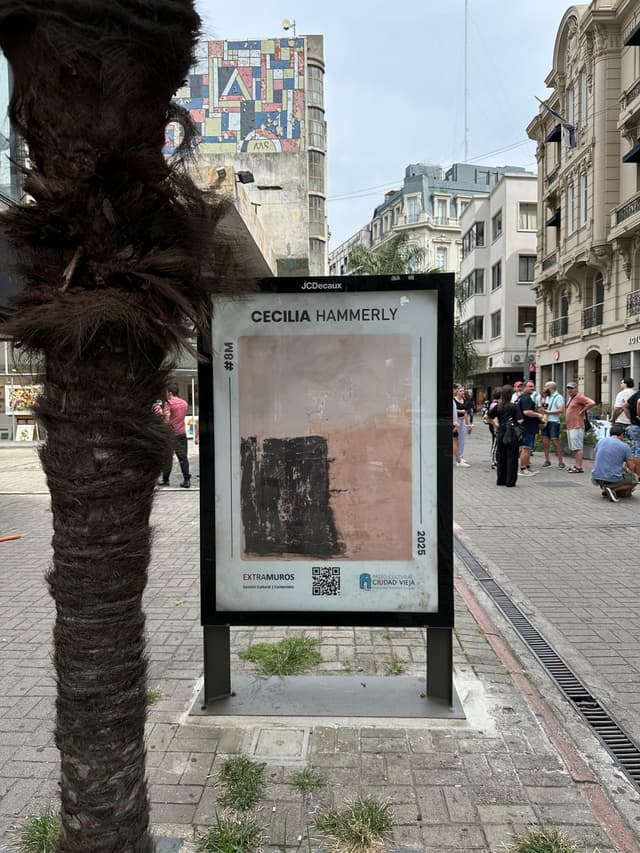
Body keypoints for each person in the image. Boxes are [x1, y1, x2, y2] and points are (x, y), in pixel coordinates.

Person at [591, 422, 639, 502]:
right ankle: (613, 489)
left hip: (596, 477)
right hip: (611, 478)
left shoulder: (601, 441)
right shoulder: (624, 446)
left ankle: (606, 489)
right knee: (635, 480)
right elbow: (631, 467)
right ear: (622, 434)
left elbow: (597, 454)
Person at [159, 382, 191, 488]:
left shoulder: (169, 403)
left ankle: (165, 479)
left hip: (171, 434)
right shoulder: (184, 403)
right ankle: (187, 480)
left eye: (167, 392)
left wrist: (162, 421)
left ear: (170, 392)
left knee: (168, 457)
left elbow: (167, 418)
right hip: (182, 433)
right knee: (183, 458)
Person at [491, 384, 520, 487]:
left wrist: (496, 424)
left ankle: (501, 479)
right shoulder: (514, 406)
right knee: (512, 457)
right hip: (511, 434)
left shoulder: (498, 406)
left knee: (501, 457)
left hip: (501, 433)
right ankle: (510, 481)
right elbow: (520, 420)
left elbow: (487, 416)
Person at [565, 381, 595, 473]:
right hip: (571, 426)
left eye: (572, 388)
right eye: (568, 388)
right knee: (574, 447)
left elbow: (591, 402)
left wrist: (583, 410)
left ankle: (579, 467)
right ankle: (577, 465)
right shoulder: (571, 398)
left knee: (578, 447)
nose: (569, 390)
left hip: (577, 425)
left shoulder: (579, 396)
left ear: (576, 389)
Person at [517, 379, 545, 477]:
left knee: (528, 448)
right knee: (526, 448)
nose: (532, 388)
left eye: (533, 386)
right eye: (529, 386)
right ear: (524, 387)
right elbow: (526, 412)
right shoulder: (526, 398)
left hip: (528, 426)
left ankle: (527, 467)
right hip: (527, 427)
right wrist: (538, 415)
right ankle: (523, 469)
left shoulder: (524, 397)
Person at [540, 381, 565, 468]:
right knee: (545, 441)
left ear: (550, 388)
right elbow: (545, 407)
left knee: (555, 441)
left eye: (545, 387)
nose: (544, 389)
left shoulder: (559, 397)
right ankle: (547, 460)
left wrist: (549, 412)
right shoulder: (547, 397)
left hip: (553, 421)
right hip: (546, 420)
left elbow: (561, 410)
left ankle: (561, 461)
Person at [482, 389, 501, 468]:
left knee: (496, 442)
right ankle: (494, 461)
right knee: (495, 443)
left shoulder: (493, 403)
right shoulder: (495, 405)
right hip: (495, 426)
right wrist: (494, 424)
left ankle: (496, 460)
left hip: (494, 425)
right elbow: (488, 417)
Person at [453, 384, 471, 466]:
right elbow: (453, 410)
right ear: (457, 392)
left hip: (463, 420)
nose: (462, 392)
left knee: (462, 439)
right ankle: (456, 458)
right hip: (456, 420)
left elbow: (466, 412)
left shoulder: (464, 400)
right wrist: (460, 411)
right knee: (456, 439)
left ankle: (461, 456)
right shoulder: (454, 400)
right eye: (460, 391)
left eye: (463, 391)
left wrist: (468, 424)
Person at [624, 385, 640, 457]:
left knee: (634, 448)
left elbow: (625, 406)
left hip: (634, 425)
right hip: (638, 425)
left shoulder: (635, 395)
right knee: (638, 450)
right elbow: (639, 402)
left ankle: (632, 467)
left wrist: (630, 418)